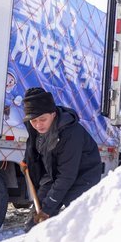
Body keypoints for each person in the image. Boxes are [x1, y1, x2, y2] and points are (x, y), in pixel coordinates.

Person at [22, 87, 102, 230]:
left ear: (53, 114)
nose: (38, 125)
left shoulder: (71, 133)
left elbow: (66, 176)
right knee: (33, 224)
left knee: (76, 225)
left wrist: (47, 210)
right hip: (54, 175)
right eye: (34, 120)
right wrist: (27, 162)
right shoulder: (35, 127)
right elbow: (33, 151)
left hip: (82, 178)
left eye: (42, 119)